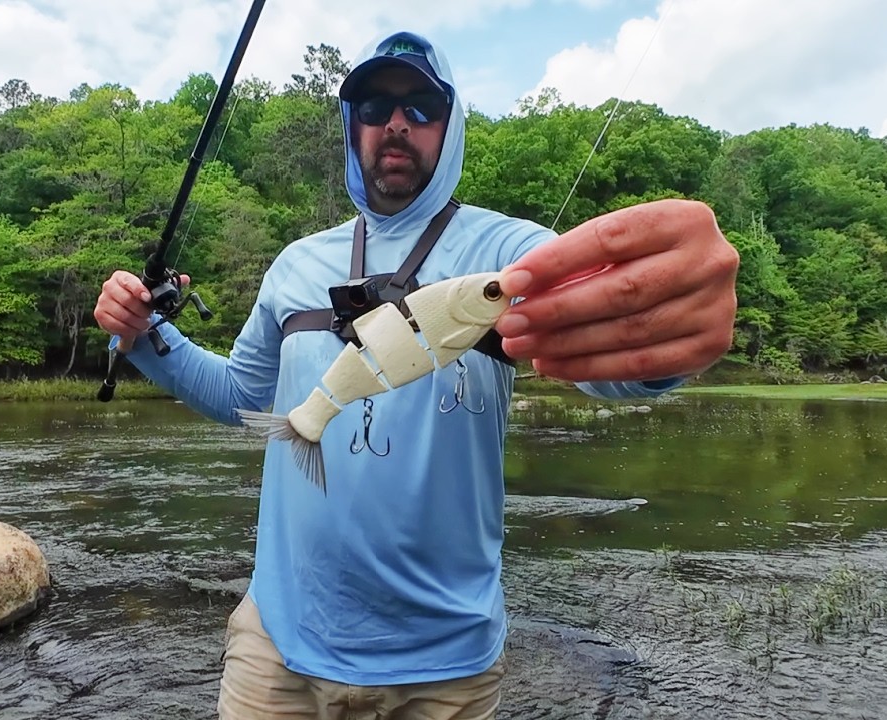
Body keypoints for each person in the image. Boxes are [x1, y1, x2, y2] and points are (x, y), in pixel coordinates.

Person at [94, 30, 738, 720]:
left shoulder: (509, 252)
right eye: (374, 106)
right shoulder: (295, 265)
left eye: (421, 106)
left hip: (445, 671)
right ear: (352, 127)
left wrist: (670, 343)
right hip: (277, 646)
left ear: (450, 125)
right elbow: (243, 397)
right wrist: (145, 337)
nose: (396, 122)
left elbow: (609, 352)